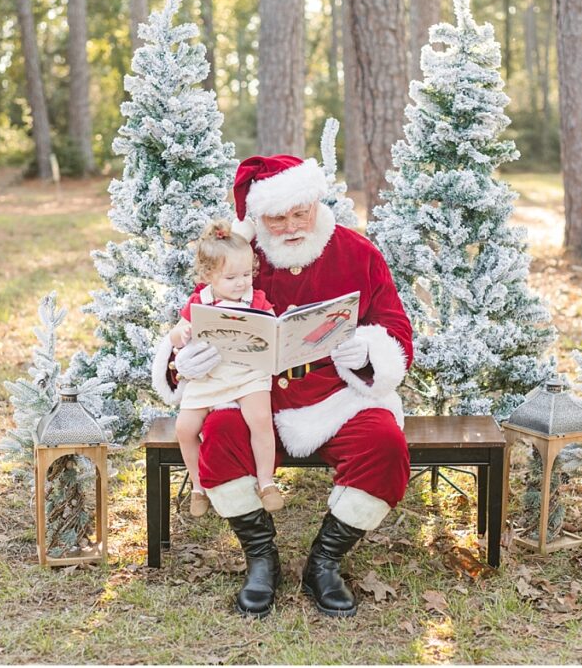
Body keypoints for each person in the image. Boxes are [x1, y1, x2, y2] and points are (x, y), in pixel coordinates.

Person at [152, 154, 412, 619]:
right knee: (219, 438)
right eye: (277, 217)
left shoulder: (357, 253)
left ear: (315, 202)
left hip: (335, 399)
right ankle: (261, 558)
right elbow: (191, 320)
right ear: (257, 217)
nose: (291, 226)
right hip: (249, 394)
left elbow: (394, 327)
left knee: (385, 444)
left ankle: (325, 562)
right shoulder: (237, 258)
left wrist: (368, 352)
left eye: (300, 213)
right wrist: (184, 361)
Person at [168, 219, 284, 518]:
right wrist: (181, 335)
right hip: (210, 374)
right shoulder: (200, 301)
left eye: (247, 274)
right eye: (232, 277)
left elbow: (273, 327)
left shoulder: (256, 299)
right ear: (209, 276)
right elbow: (175, 332)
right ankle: (198, 485)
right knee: (185, 428)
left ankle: (266, 481)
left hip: (247, 372)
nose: (242, 282)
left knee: (260, 418)